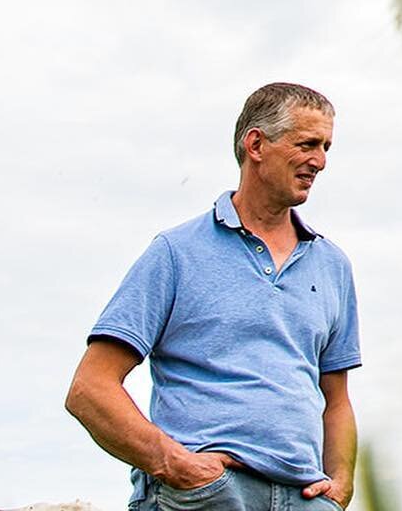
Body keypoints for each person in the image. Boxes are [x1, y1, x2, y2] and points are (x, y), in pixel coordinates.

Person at [65, 83, 361, 509]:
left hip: (306, 497)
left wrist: (340, 487)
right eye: (308, 144)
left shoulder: (333, 265)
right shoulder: (176, 253)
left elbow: (337, 399)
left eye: (327, 146)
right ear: (256, 144)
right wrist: (176, 466)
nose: (321, 161)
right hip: (210, 494)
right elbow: (90, 388)